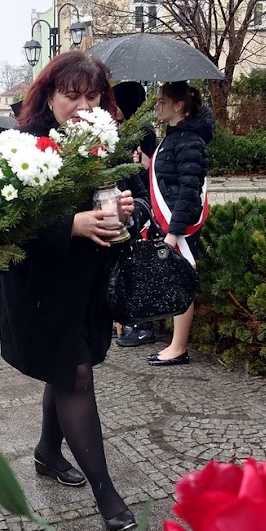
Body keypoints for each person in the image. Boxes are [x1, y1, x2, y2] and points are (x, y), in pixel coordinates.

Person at [0, 50, 137, 531]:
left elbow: (126, 203)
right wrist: (70, 225)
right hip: (41, 287)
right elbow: (5, 225)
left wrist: (126, 207)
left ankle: (46, 452)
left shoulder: (105, 142)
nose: (83, 107)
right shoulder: (21, 145)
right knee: (75, 376)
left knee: (65, 373)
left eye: (92, 96)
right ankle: (106, 495)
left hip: (87, 285)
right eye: (71, 96)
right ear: (49, 96)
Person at [139, 81, 212, 367]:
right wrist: (148, 164)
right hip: (171, 224)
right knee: (173, 281)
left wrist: (174, 232)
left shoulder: (189, 140)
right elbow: (170, 177)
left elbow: (188, 190)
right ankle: (174, 344)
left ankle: (178, 348)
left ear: (179, 106)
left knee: (181, 283)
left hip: (179, 226)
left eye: (161, 101)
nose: (156, 106)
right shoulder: (175, 136)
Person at [112, 81, 158, 348]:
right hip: (130, 202)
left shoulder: (143, 132)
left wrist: (138, 163)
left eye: (116, 102)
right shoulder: (126, 129)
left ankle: (143, 325)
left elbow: (147, 169)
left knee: (139, 265)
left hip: (139, 205)